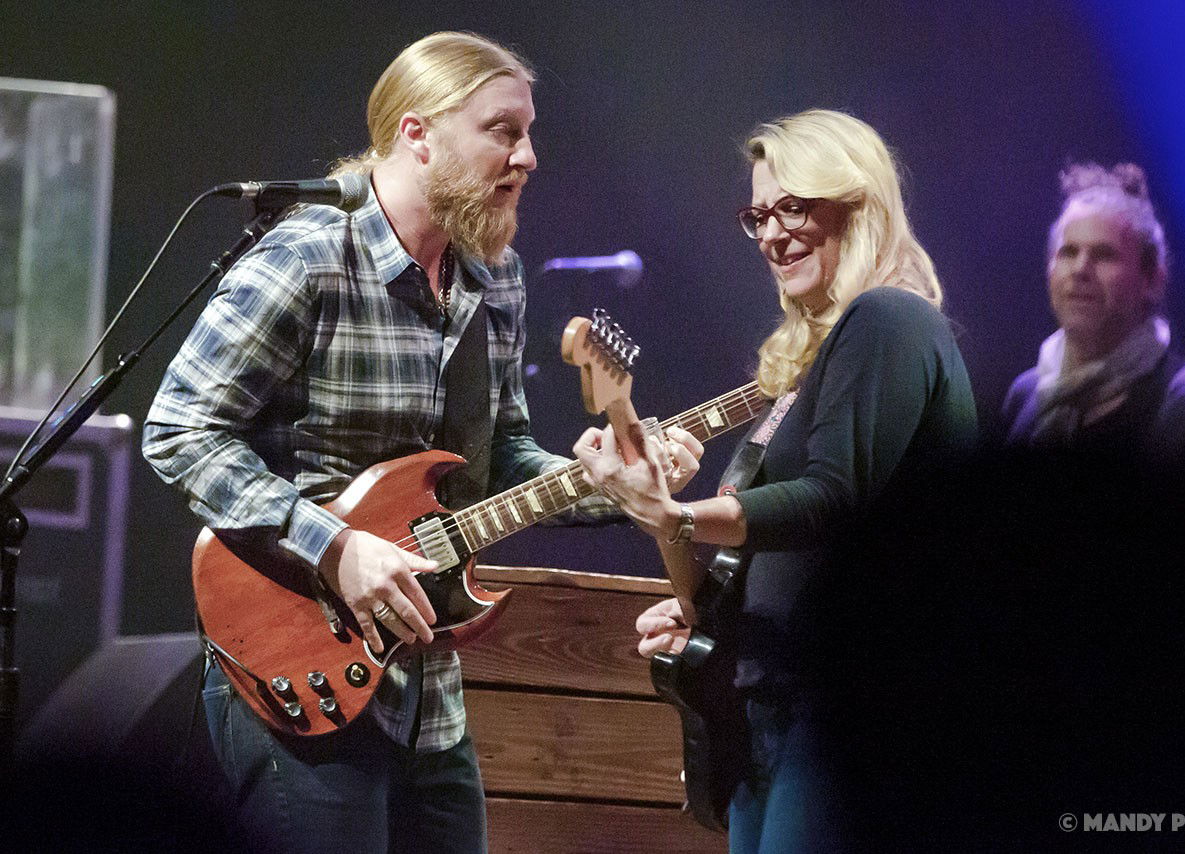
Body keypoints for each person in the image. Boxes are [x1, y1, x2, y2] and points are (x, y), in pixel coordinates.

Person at [142, 32, 698, 854]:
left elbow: (498, 458)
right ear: (417, 134)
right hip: (297, 677)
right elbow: (179, 428)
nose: (529, 157)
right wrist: (335, 548)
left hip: (430, 699)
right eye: (503, 131)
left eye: (529, 133)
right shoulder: (307, 257)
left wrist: (605, 482)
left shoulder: (494, 276)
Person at [575, 109, 977, 852]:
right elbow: (736, 576)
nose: (771, 234)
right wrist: (667, 527)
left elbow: (832, 499)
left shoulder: (889, 319)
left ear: (856, 204)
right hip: (776, 709)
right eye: (758, 216)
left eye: (793, 207)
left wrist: (681, 516)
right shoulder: (806, 369)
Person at [998, 162, 1185, 826]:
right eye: (1067, 252)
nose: (1080, 270)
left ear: (1152, 278)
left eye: (1103, 255)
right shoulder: (1026, 398)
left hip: (1150, 748)